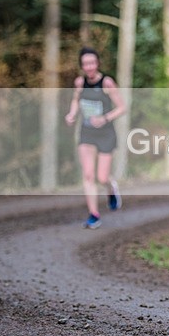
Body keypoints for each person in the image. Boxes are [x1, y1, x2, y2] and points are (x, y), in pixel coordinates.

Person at [65, 47, 125, 229]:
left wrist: (104, 118)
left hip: (106, 134)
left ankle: (110, 188)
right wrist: (72, 114)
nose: (89, 67)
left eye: (92, 63)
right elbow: (76, 100)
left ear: (97, 63)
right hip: (87, 133)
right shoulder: (79, 83)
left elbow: (122, 107)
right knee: (88, 175)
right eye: (85, 64)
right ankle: (94, 215)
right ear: (82, 66)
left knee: (102, 177)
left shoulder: (107, 83)